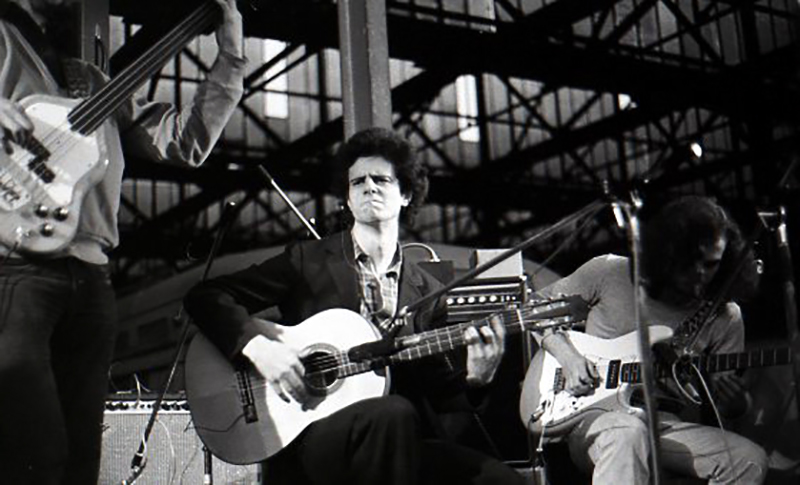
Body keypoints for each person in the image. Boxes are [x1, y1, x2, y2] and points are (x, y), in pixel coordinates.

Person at [184, 127, 525, 485]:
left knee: (505, 482)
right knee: (393, 413)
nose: (369, 187)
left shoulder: (429, 291)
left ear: (406, 194)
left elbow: (437, 393)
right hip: (313, 436)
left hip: (402, 439)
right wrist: (260, 350)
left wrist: (476, 380)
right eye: (357, 181)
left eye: (381, 179)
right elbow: (205, 296)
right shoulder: (308, 260)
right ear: (347, 199)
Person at [0, 0, 245, 483]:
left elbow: (184, 141)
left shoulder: (89, 81)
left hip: (92, 278)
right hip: (15, 270)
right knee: (32, 451)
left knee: (80, 459)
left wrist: (231, 57)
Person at [535, 195, 769, 484]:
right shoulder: (609, 272)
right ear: (665, 253)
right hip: (598, 419)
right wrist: (569, 358)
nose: (700, 273)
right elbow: (535, 310)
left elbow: (726, 406)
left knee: (749, 460)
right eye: (689, 261)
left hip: (666, 426)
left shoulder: (725, 315)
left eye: (711, 264)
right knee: (628, 432)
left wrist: (736, 402)